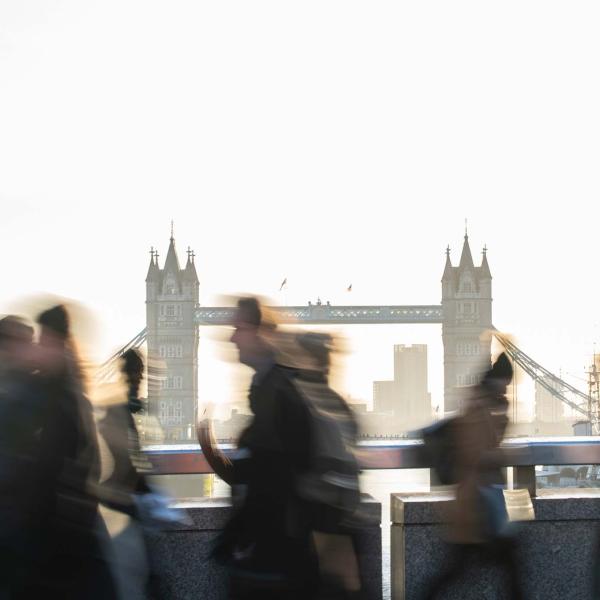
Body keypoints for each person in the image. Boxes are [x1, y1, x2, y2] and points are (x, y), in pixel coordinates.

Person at [197, 297, 316, 600]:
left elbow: (274, 475)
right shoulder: (267, 386)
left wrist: (241, 538)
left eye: (240, 327)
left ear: (261, 331)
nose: (232, 337)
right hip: (272, 551)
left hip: (273, 554)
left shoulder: (279, 391)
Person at [422, 353, 524, 599]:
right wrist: (507, 455)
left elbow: (493, 442)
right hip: (475, 503)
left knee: (506, 568)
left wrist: (502, 414)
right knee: (456, 571)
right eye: (505, 383)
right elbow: (475, 455)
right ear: (496, 381)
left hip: (486, 499)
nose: (507, 389)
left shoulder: (489, 405)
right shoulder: (477, 409)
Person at [34, 304, 117, 599]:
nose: (38, 348)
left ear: (57, 343)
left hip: (62, 540)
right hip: (73, 533)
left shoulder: (57, 400)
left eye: (43, 340)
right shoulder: (72, 395)